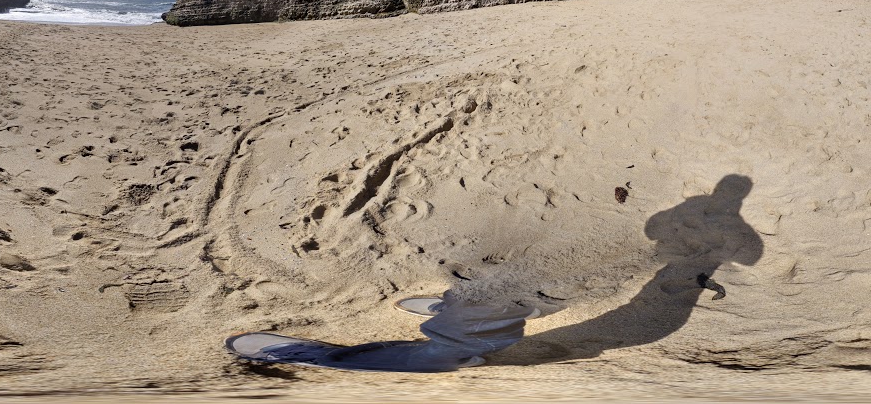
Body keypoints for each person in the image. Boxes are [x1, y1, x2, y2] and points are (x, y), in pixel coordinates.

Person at [226, 175, 759, 372]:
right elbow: (744, 252)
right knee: (529, 282)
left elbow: (653, 231)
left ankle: (450, 340)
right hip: (604, 283)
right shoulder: (721, 227)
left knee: (499, 292)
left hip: (564, 289)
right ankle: (470, 314)